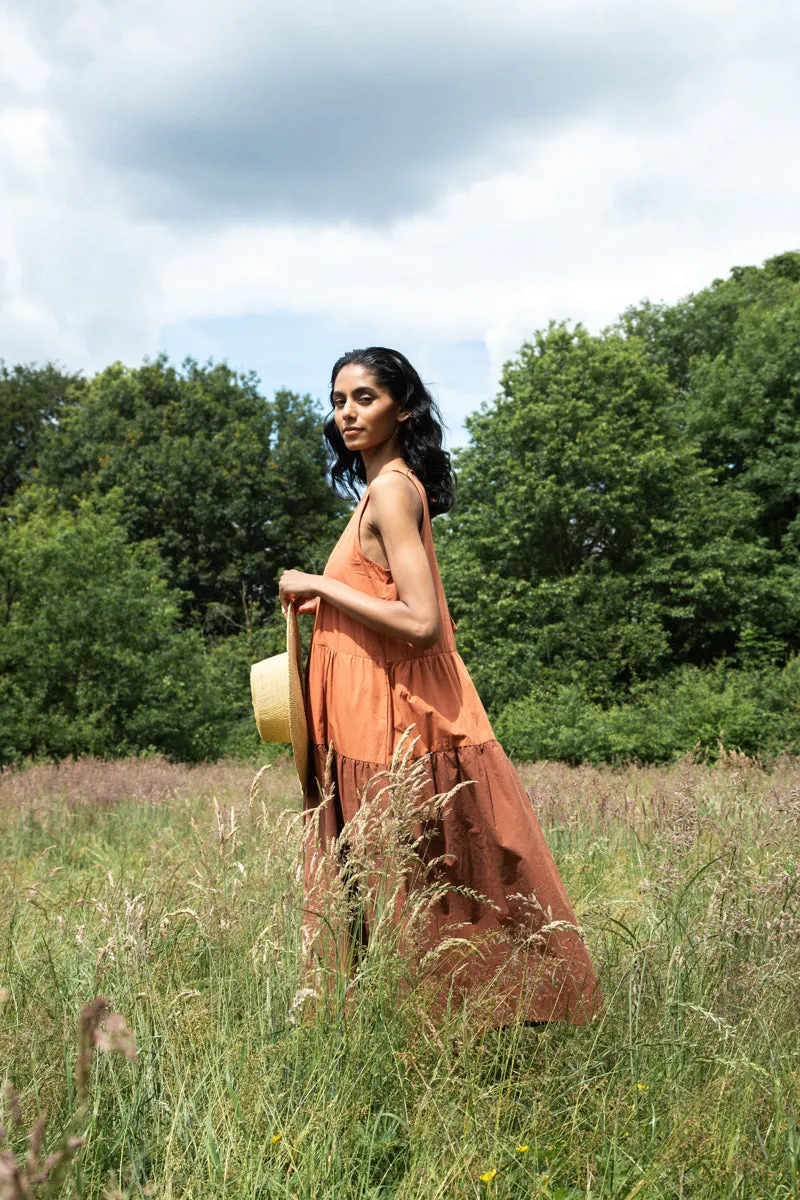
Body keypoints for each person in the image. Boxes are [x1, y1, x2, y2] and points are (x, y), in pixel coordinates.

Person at [278, 347, 600, 1025]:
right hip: (364, 722)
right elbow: (384, 599)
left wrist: (319, 584)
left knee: (424, 896)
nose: (346, 413)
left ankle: (475, 1035)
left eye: (364, 398)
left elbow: (422, 622)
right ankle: (424, 1042)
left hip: (392, 725)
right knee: (405, 896)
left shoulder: (393, 489)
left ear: (402, 406)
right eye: (338, 401)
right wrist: (331, 605)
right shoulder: (377, 490)